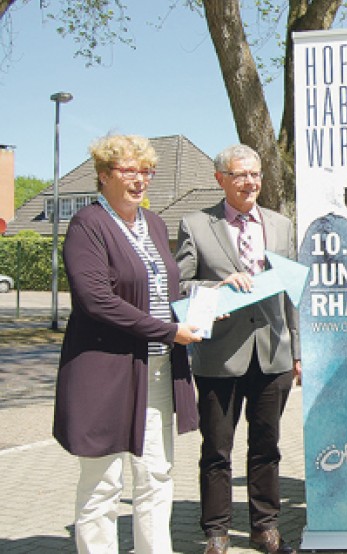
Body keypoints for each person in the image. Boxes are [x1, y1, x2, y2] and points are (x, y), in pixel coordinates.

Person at [53, 134, 202, 553]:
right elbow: (96, 301)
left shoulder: (154, 224)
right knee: (103, 483)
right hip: (105, 371)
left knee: (156, 474)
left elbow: (163, 290)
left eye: (146, 171)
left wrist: (203, 304)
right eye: (129, 171)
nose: (140, 180)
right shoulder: (88, 225)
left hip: (157, 370)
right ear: (104, 176)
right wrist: (168, 331)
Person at [175, 144, 301, 554]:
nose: (250, 182)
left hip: (273, 355)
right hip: (219, 358)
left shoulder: (281, 225)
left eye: (255, 174)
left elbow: (291, 293)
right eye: (240, 175)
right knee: (216, 450)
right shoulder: (196, 225)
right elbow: (179, 287)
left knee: (267, 447)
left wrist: (296, 352)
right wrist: (216, 288)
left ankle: (265, 526)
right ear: (220, 179)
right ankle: (216, 530)